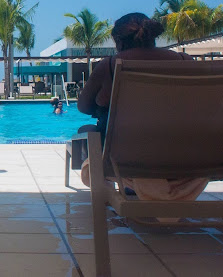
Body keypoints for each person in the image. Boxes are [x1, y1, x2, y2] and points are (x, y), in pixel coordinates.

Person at [77, 12, 208, 201]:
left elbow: (83, 107)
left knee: (87, 130)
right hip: (182, 154)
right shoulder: (185, 62)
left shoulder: (109, 66)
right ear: (152, 37)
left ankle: (113, 192)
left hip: (124, 157)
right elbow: (202, 107)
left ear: (119, 42)